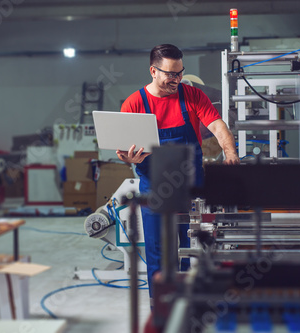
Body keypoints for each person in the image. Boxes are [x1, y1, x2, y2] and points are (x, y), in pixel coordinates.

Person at [116, 44, 239, 302]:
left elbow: (217, 126)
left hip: (191, 185)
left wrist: (230, 153)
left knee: (191, 248)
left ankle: (187, 303)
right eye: (171, 74)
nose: (177, 79)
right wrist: (130, 157)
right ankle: (160, 308)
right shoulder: (135, 102)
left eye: (180, 72)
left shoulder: (192, 96)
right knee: (158, 252)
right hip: (154, 187)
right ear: (153, 71)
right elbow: (123, 149)